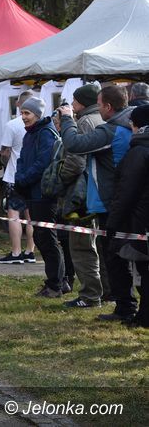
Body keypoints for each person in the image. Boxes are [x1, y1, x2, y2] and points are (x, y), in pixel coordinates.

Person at [59, 85, 134, 318]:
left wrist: (67, 119)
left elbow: (75, 145)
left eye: (100, 105)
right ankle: (123, 303)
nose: (98, 109)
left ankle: (125, 307)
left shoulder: (112, 129)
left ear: (109, 107)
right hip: (120, 197)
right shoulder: (128, 123)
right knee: (119, 255)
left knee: (116, 256)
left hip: (111, 200)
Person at [53, 84, 106, 308]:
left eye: (75, 101)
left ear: (83, 102)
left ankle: (90, 295)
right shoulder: (102, 119)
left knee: (82, 245)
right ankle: (106, 290)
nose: (72, 105)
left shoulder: (84, 122)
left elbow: (76, 160)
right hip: (100, 191)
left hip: (82, 194)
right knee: (99, 244)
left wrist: (60, 179)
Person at [16, 97, 65, 297]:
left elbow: (43, 163)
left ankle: (56, 284)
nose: (23, 117)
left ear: (37, 114)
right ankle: (57, 280)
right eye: (22, 113)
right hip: (31, 192)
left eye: (27, 113)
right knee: (40, 236)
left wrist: (24, 179)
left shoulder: (46, 133)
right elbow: (21, 159)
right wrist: (19, 177)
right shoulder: (29, 134)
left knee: (46, 238)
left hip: (44, 193)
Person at [105, 105, 149, 327]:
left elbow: (126, 191)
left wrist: (113, 223)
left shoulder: (139, 152)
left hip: (140, 221)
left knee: (144, 271)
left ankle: (144, 317)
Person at [0, 90, 36, 265]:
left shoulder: (12, 125)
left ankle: (16, 252)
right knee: (30, 215)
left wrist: (5, 163)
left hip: (14, 175)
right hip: (33, 175)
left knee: (13, 213)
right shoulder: (41, 124)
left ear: (19, 104)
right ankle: (30, 251)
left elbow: (5, 152)